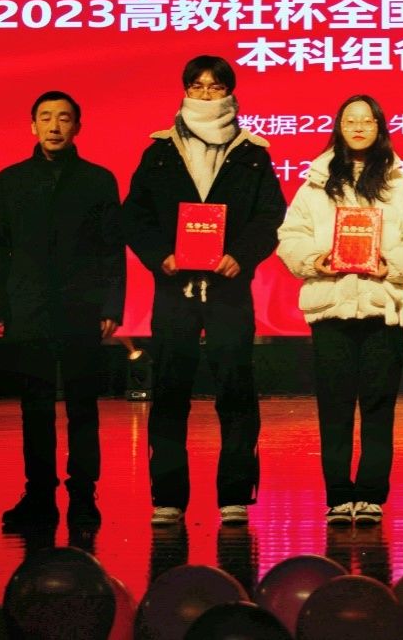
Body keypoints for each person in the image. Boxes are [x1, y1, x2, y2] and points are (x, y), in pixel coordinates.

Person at [122, 55, 286, 527]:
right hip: (174, 289)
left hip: (229, 289)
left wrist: (242, 255)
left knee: (235, 391)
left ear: (230, 93)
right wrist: (161, 256)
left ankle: (234, 495)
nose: (206, 94)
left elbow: (271, 216)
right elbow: (134, 215)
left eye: (216, 87)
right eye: (198, 86)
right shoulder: (159, 150)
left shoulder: (252, 152)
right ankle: (168, 497)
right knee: (170, 390)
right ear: (185, 91)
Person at [278, 95, 403, 526]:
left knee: (378, 407)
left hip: (382, 307)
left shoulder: (401, 185)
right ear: (339, 127)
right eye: (350, 120)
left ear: (379, 127)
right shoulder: (315, 184)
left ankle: (369, 495)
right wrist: (315, 260)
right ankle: (337, 495)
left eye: (367, 120)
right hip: (330, 307)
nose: (358, 127)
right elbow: (290, 237)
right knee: (333, 407)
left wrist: (394, 265)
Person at [0, 90, 125, 530]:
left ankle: (84, 496)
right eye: (45, 117)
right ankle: (39, 496)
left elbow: (112, 250)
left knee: (83, 406)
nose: (54, 126)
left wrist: (111, 304)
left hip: (83, 307)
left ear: (77, 127)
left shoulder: (98, 180)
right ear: (33, 126)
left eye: (64, 118)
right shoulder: (12, 179)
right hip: (28, 307)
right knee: (36, 408)